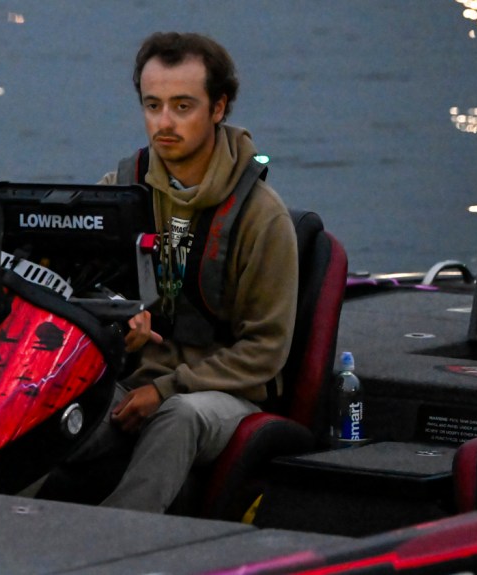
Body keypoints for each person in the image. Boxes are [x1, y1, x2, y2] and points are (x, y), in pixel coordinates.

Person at [43, 32, 298, 514]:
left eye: (183, 106)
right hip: (131, 380)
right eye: (152, 105)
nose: (164, 122)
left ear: (218, 107)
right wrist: (117, 324)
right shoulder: (118, 192)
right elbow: (83, 294)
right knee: (46, 406)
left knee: (179, 416)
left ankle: (119, 541)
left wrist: (165, 389)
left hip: (222, 394)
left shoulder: (263, 218)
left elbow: (265, 350)